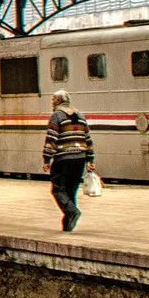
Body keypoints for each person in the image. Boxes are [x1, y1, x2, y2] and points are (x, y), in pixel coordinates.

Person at [43, 89, 94, 232]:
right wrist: (90, 158)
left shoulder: (56, 116)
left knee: (58, 189)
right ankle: (67, 225)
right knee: (71, 191)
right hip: (80, 158)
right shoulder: (80, 115)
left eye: (53, 100)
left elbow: (52, 138)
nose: (52, 102)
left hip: (63, 158)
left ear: (58, 101)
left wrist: (46, 159)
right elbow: (87, 138)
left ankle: (72, 212)